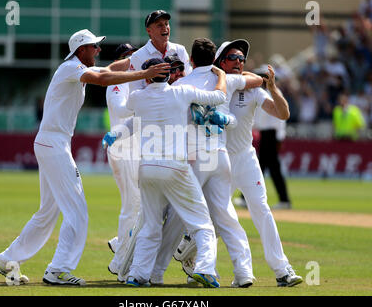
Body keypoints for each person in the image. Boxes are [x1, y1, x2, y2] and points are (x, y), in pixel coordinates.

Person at [0, 29, 170, 286]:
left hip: (50, 142)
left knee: (47, 212)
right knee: (77, 211)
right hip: (53, 143)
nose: (98, 50)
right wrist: (144, 73)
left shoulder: (77, 68)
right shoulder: (70, 68)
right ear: (81, 50)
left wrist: (143, 57)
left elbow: (108, 70)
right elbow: (103, 80)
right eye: (94, 47)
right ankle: (59, 269)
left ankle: (6, 258)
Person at [150, 38, 264, 288]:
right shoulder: (225, 79)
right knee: (225, 215)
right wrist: (228, 75)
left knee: (180, 217)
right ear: (214, 60)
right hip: (220, 156)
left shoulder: (181, 83)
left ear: (191, 60)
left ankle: (157, 272)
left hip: (194, 158)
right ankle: (244, 272)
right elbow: (258, 80)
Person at [105, 57, 228, 288]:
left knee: (150, 225)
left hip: (147, 169)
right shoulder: (181, 92)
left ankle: (138, 275)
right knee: (202, 224)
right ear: (169, 74)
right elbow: (219, 97)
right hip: (175, 167)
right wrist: (220, 75)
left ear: (148, 75)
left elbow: (129, 116)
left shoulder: (137, 97)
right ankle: (205, 269)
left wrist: (117, 132)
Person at [214, 39, 303, 287]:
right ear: (221, 61)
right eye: (233, 57)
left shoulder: (253, 89)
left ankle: (282, 270)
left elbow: (283, 114)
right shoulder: (213, 86)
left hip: (245, 157)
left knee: (261, 210)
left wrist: (273, 88)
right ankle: (201, 267)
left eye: (242, 58)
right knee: (214, 219)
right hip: (219, 159)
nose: (239, 62)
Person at [104, 43, 141, 278]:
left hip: (131, 148)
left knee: (138, 205)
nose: (130, 61)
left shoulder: (133, 82)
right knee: (131, 205)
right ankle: (120, 262)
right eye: (126, 57)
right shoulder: (117, 81)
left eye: (132, 56)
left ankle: (121, 243)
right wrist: (144, 103)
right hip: (122, 148)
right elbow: (120, 108)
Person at [253, 65, 292, 210]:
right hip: (266, 134)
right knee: (262, 166)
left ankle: (284, 200)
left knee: (269, 168)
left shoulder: (274, 92)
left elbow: (281, 118)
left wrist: (280, 138)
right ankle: (283, 199)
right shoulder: (261, 92)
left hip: (272, 134)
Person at [128, 9, 192, 92]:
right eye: (159, 25)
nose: (165, 28)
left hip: (179, 102)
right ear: (149, 30)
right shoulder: (138, 56)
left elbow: (188, 79)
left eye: (166, 24)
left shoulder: (180, 50)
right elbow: (135, 90)